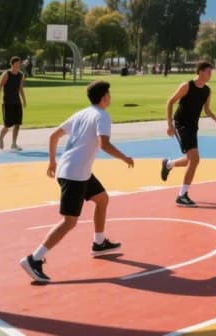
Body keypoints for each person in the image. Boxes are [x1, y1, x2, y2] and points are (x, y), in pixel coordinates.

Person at [19, 81, 135, 283]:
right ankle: (34, 258)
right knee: (69, 221)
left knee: (102, 199)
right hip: (75, 174)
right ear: (103, 98)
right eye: (109, 94)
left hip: (74, 170)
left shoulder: (82, 113)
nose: (110, 97)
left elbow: (54, 135)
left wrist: (53, 161)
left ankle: (99, 243)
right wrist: (124, 157)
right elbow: (104, 144)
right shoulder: (102, 116)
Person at [160, 62, 216, 207]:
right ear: (200, 72)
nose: (210, 75)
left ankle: (168, 164)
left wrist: (215, 117)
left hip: (193, 127)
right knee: (194, 159)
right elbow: (170, 102)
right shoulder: (187, 86)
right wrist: (169, 125)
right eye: (208, 72)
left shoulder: (207, 90)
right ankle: (182, 195)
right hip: (181, 124)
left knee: (190, 160)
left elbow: (206, 109)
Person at [0, 56, 27, 151]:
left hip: (17, 102)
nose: (18, 65)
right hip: (7, 102)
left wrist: (24, 100)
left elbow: (21, 88)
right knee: (8, 125)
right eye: (17, 63)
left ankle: (14, 144)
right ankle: (0, 138)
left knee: (17, 124)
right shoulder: (6, 74)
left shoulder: (21, 75)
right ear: (12, 64)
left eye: (19, 63)